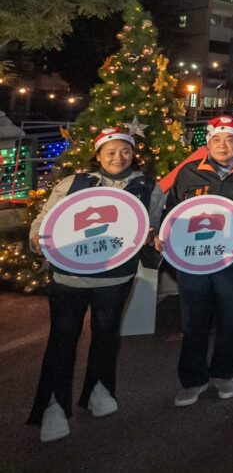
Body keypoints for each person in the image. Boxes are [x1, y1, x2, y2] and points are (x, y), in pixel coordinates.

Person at [27, 127, 165, 442]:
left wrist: (151, 237)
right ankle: (53, 406)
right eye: (111, 151)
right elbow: (44, 219)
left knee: (106, 334)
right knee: (62, 339)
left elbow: (154, 225)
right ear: (98, 153)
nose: (119, 157)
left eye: (125, 151)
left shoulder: (147, 187)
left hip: (116, 277)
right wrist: (37, 239)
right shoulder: (74, 183)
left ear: (133, 153)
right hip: (69, 276)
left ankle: (99, 390)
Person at [163, 115, 233, 407]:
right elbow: (171, 212)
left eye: (230, 139)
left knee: (231, 319)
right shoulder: (188, 172)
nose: (223, 145)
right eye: (217, 139)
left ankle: (224, 372)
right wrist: (163, 236)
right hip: (192, 261)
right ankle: (192, 379)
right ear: (208, 143)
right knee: (194, 321)